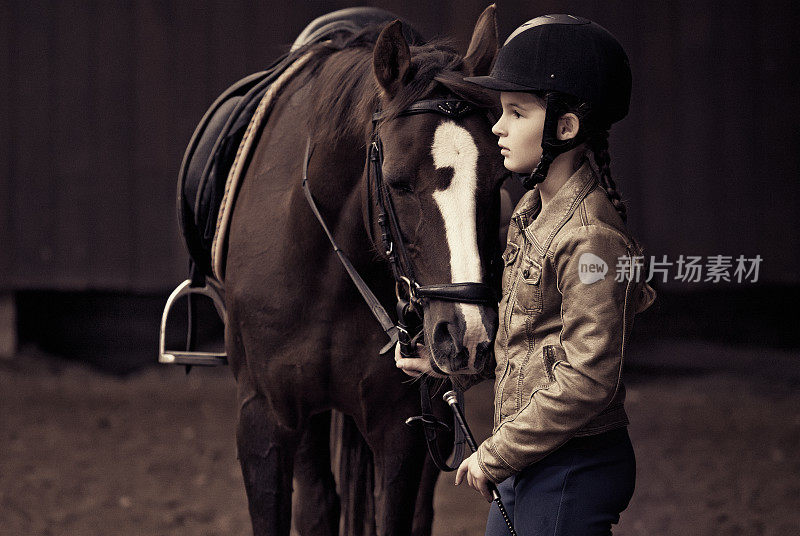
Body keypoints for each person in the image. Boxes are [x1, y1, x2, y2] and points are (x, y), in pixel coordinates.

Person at [395, 14, 657, 535]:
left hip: (571, 468)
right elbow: (530, 344)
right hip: (533, 458)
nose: (497, 127)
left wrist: (497, 454)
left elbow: (588, 378)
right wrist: (451, 369)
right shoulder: (529, 210)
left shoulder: (592, 239)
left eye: (515, 113)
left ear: (565, 127)